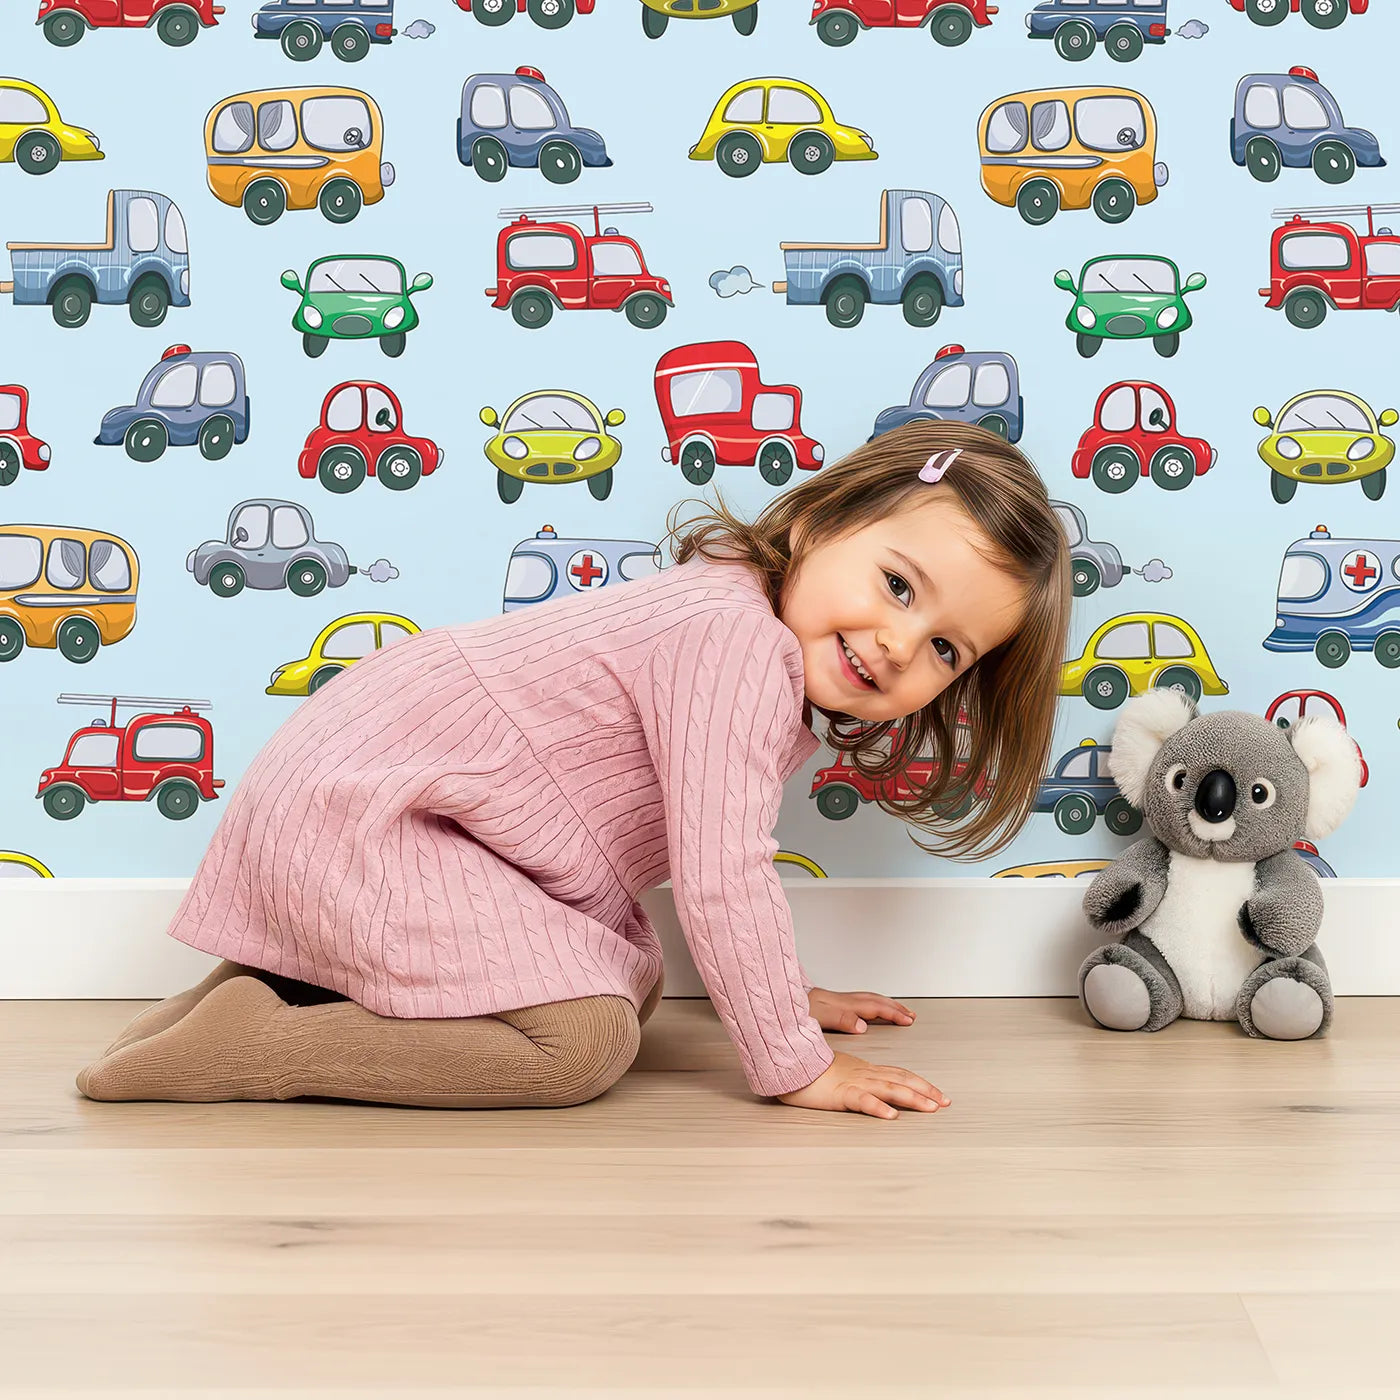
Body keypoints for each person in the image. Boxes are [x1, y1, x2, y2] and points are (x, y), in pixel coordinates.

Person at [75, 420, 1071, 1120]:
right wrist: (793, 1060)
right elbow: (720, 871)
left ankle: (271, 983)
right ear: (814, 525)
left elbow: (712, 863)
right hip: (365, 814)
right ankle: (262, 1042)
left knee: (616, 978)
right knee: (583, 1041)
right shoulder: (733, 643)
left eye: (945, 650)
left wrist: (785, 987)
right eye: (897, 585)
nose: (900, 643)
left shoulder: (732, 620)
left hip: (372, 808)